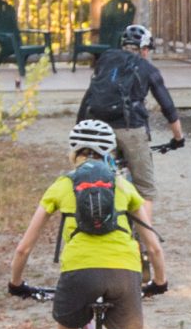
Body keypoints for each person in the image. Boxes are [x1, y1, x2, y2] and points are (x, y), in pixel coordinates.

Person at [7, 117, 168, 329]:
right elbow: (153, 245)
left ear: (74, 151)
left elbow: (24, 247)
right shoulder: (123, 186)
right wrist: (159, 282)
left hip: (79, 274)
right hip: (125, 274)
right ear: (110, 150)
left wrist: (16, 284)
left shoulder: (63, 185)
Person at [76, 23, 184, 212]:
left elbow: (91, 93)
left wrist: (80, 128)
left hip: (98, 128)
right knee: (145, 190)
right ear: (143, 49)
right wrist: (178, 138)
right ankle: (146, 241)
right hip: (130, 128)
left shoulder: (106, 59)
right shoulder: (147, 68)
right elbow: (168, 107)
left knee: (98, 179)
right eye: (148, 49)